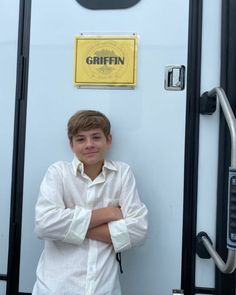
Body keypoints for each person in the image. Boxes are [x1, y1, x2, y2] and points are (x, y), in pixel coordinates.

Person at [32, 110, 148, 295]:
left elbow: (139, 231)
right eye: (80, 139)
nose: (89, 145)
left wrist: (69, 226)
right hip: (56, 288)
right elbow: (44, 225)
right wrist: (108, 214)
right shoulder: (58, 173)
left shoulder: (122, 173)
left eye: (96, 137)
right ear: (71, 145)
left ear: (108, 140)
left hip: (104, 288)